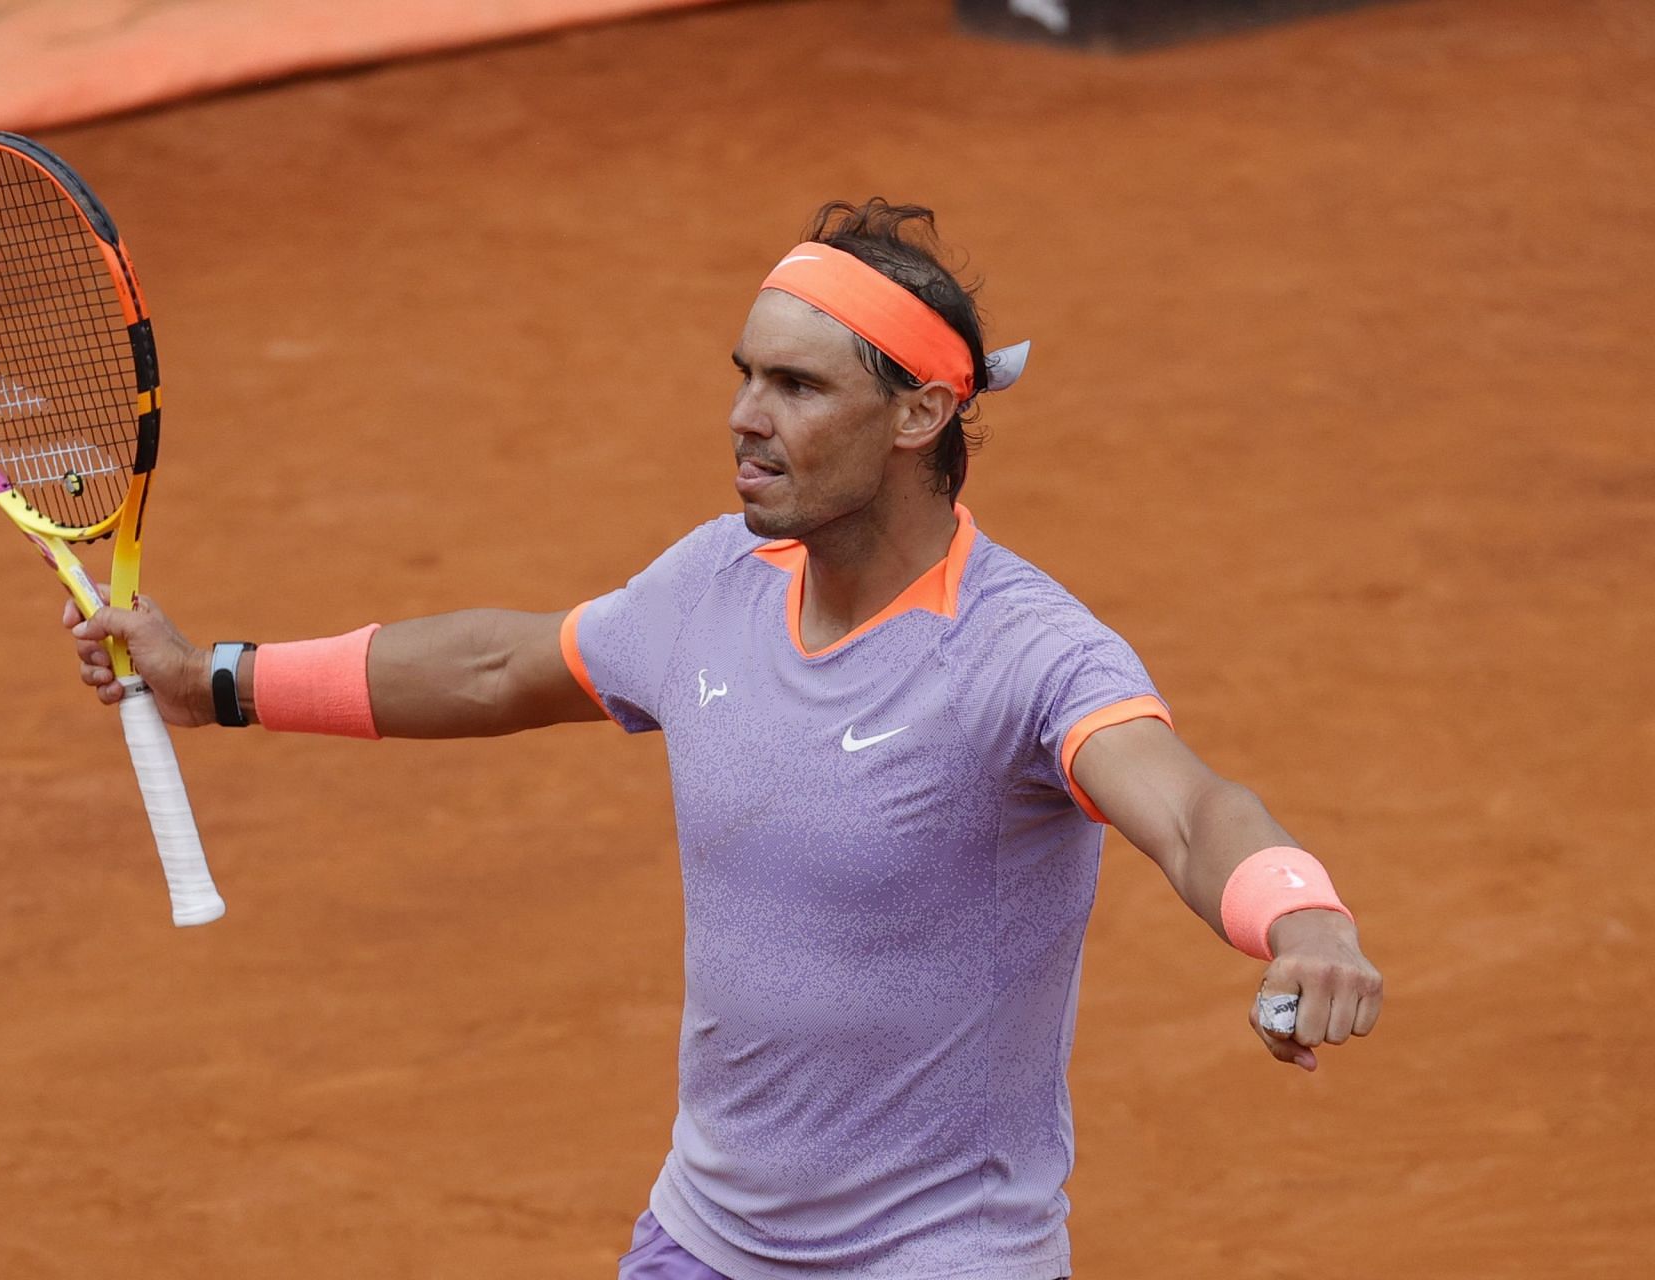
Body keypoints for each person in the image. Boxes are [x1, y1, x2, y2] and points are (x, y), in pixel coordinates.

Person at [67, 200, 1382, 1280]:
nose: (745, 418)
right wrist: (216, 681)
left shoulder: (1026, 653)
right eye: (744, 377)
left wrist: (1302, 919)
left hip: (940, 1257)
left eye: (797, 386)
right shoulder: (713, 585)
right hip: (705, 1240)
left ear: (921, 414)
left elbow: (1192, 810)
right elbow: (494, 665)